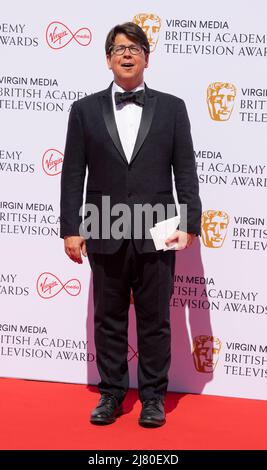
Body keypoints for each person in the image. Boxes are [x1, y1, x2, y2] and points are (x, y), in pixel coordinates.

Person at [60, 22, 202, 427]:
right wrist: (71, 226)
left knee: (156, 319)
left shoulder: (173, 108)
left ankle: (154, 397)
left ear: (146, 58)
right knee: (108, 317)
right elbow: (73, 174)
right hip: (103, 226)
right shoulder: (84, 110)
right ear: (107, 59)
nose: (127, 54)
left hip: (158, 229)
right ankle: (111, 394)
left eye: (135, 48)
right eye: (119, 48)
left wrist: (190, 221)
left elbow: (186, 171)